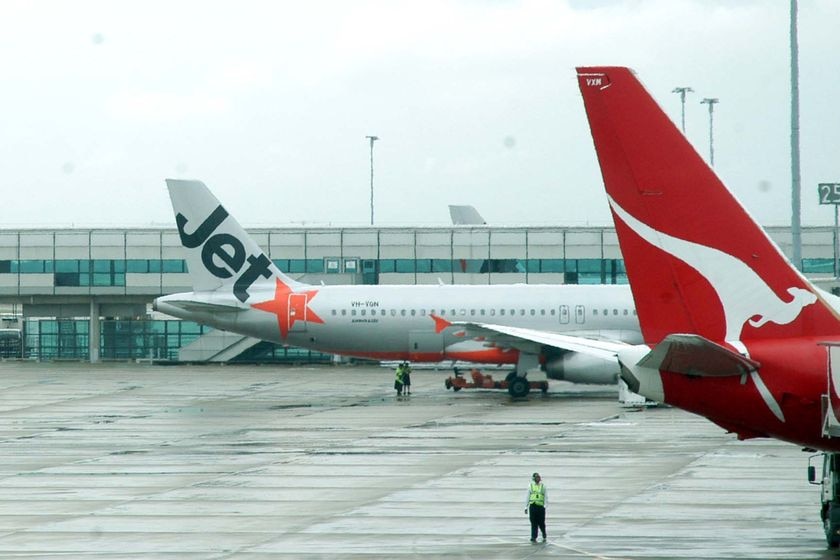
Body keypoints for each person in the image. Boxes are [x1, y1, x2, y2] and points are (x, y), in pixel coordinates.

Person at [525, 472, 547, 542]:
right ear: (533, 478)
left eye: (538, 477)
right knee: (533, 522)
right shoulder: (530, 486)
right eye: (536, 477)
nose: (538, 478)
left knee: (541, 522)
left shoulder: (543, 486)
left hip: (540, 507)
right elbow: (527, 497)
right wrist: (526, 507)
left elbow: (546, 497)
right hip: (533, 506)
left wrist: (545, 506)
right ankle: (533, 536)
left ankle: (543, 532)